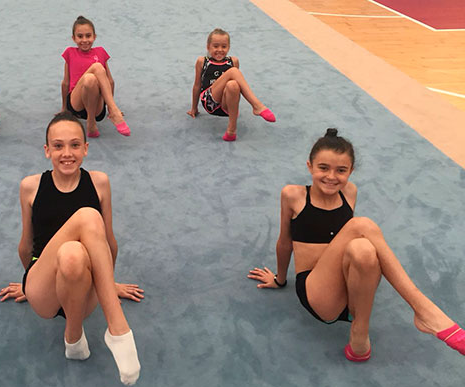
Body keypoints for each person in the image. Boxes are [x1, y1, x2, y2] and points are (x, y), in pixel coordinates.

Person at [247, 128, 464, 361]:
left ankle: (359, 336)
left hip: (350, 293)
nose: (331, 176)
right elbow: (284, 242)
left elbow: (348, 247)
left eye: (341, 170)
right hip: (317, 292)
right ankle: (423, 309)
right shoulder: (293, 195)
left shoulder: (350, 192)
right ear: (309, 166)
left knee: (364, 249)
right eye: (323, 168)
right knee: (361, 226)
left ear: (351, 171)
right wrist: (280, 280)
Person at [0, 112, 143, 385]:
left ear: (86, 149)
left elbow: (109, 242)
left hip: (82, 283)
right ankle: (118, 328)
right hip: (44, 290)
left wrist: (108, 283)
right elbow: (26, 245)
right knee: (87, 217)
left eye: (75, 145)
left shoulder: (99, 182)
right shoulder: (31, 186)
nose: (67, 153)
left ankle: (73, 339)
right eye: (58, 146)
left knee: (72, 254)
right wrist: (30, 283)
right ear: (46, 150)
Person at [187, 28, 275, 141]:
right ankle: (257, 105)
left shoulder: (233, 61)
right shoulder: (202, 61)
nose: (220, 50)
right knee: (233, 72)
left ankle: (231, 131)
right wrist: (194, 108)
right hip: (210, 102)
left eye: (224, 46)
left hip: (227, 107)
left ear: (229, 47)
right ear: (208, 47)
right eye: (215, 46)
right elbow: (197, 85)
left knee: (233, 84)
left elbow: (238, 88)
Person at [60, 16, 130, 138]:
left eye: (88, 36)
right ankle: (114, 111)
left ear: (94, 36)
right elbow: (65, 83)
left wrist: (107, 107)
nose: (85, 40)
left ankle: (92, 123)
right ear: (73, 38)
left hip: (96, 107)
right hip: (76, 104)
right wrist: (64, 109)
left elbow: (110, 82)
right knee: (96, 67)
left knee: (90, 79)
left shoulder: (101, 52)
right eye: (80, 36)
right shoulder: (70, 52)